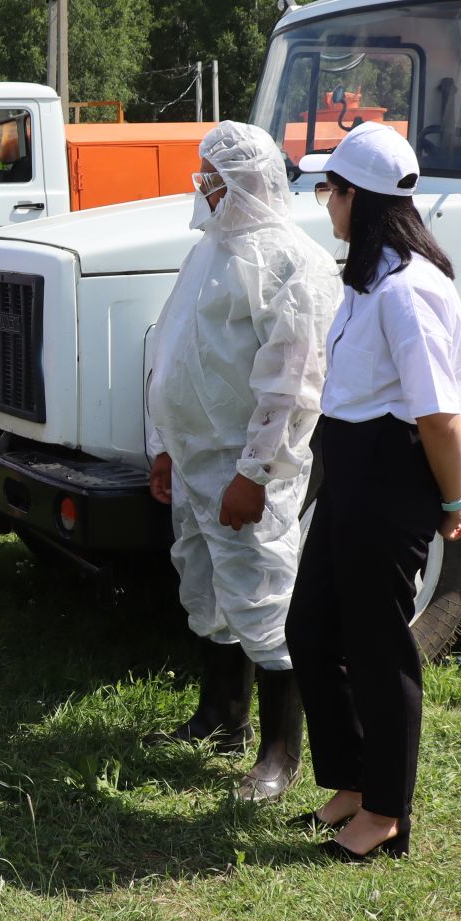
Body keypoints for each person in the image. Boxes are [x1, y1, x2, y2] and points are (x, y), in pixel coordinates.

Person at [283, 121, 461, 863]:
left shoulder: (406, 290)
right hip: (352, 470)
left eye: (330, 190)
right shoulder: (369, 282)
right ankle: (353, 784)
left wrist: (453, 502)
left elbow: (437, 414)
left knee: (376, 647)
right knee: (311, 627)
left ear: (358, 199)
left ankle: (387, 812)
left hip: (390, 475)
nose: (326, 203)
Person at [144, 123, 339, 802]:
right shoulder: (210, 252)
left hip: (245, 469)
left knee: (264, 596)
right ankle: (220, 717)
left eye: (216, 175)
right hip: (196, 459)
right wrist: (163, 444)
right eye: (204, 174)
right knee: (206, 590)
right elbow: (171, 350)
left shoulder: (292, 261)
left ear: (250, 181)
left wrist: (254, 475)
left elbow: (293, 387)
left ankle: (280, 756)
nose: (204, 186)